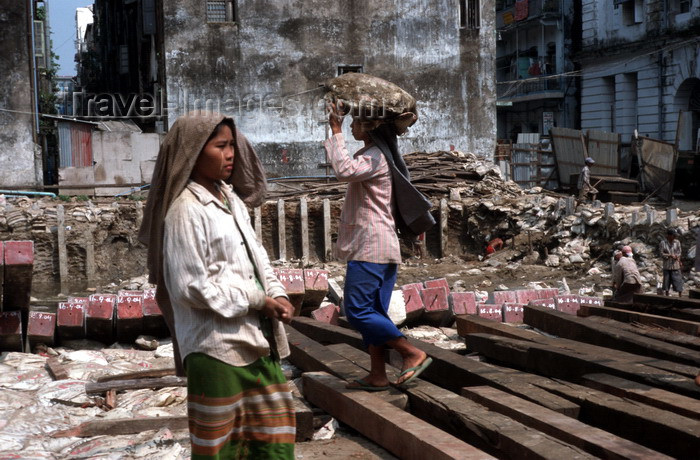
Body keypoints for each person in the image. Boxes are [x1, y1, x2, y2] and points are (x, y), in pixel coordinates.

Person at [139, 113, 296, 459]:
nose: (231, 155)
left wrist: (278, 292)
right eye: (220, 146)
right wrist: (258, 300)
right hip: (215, 350)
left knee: (275, 446)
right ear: (194, 152)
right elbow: (191, 287)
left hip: (257, 342)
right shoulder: (185, 211)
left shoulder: (230, 199)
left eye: (231, 146)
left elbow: (258, 257)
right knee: (221, 451)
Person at [325, 103, 432, 389]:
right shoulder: (377, 156)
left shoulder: (375, 157)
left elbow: (344, 169)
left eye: (356, 122)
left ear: (370, 128)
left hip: (370, 248)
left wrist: (334, 130)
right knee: (374, 314)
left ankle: (411, 352)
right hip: (380, 248)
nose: (351, 126)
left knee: (358, 311)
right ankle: (378, 374)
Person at [659, 228, 683, 297]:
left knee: (678, 281)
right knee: (666, 281)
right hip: (667, 265)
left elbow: (679, 252)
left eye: (675, 236)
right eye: (673, 236)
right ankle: (667, 294)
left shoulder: (677, 242)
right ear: (669, 236)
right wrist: (669, 255)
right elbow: (661, 253)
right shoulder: (663, 243)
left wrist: (677, 256)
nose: (675, 237)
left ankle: (680, 295)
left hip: (675, 265)